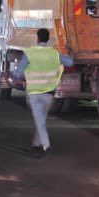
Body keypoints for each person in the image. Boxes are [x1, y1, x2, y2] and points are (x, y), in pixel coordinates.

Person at [15, 27, 69, 155]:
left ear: (37, 38)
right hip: (49, 94)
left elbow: (19, 71)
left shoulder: (30, 52)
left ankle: (45, 144)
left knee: (39, 120)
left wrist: (15, 77)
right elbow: (70, 62)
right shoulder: (54, 53)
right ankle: (35, 145)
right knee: (41, 119)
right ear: (48, 39)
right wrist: (64, 55)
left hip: (34, 94)